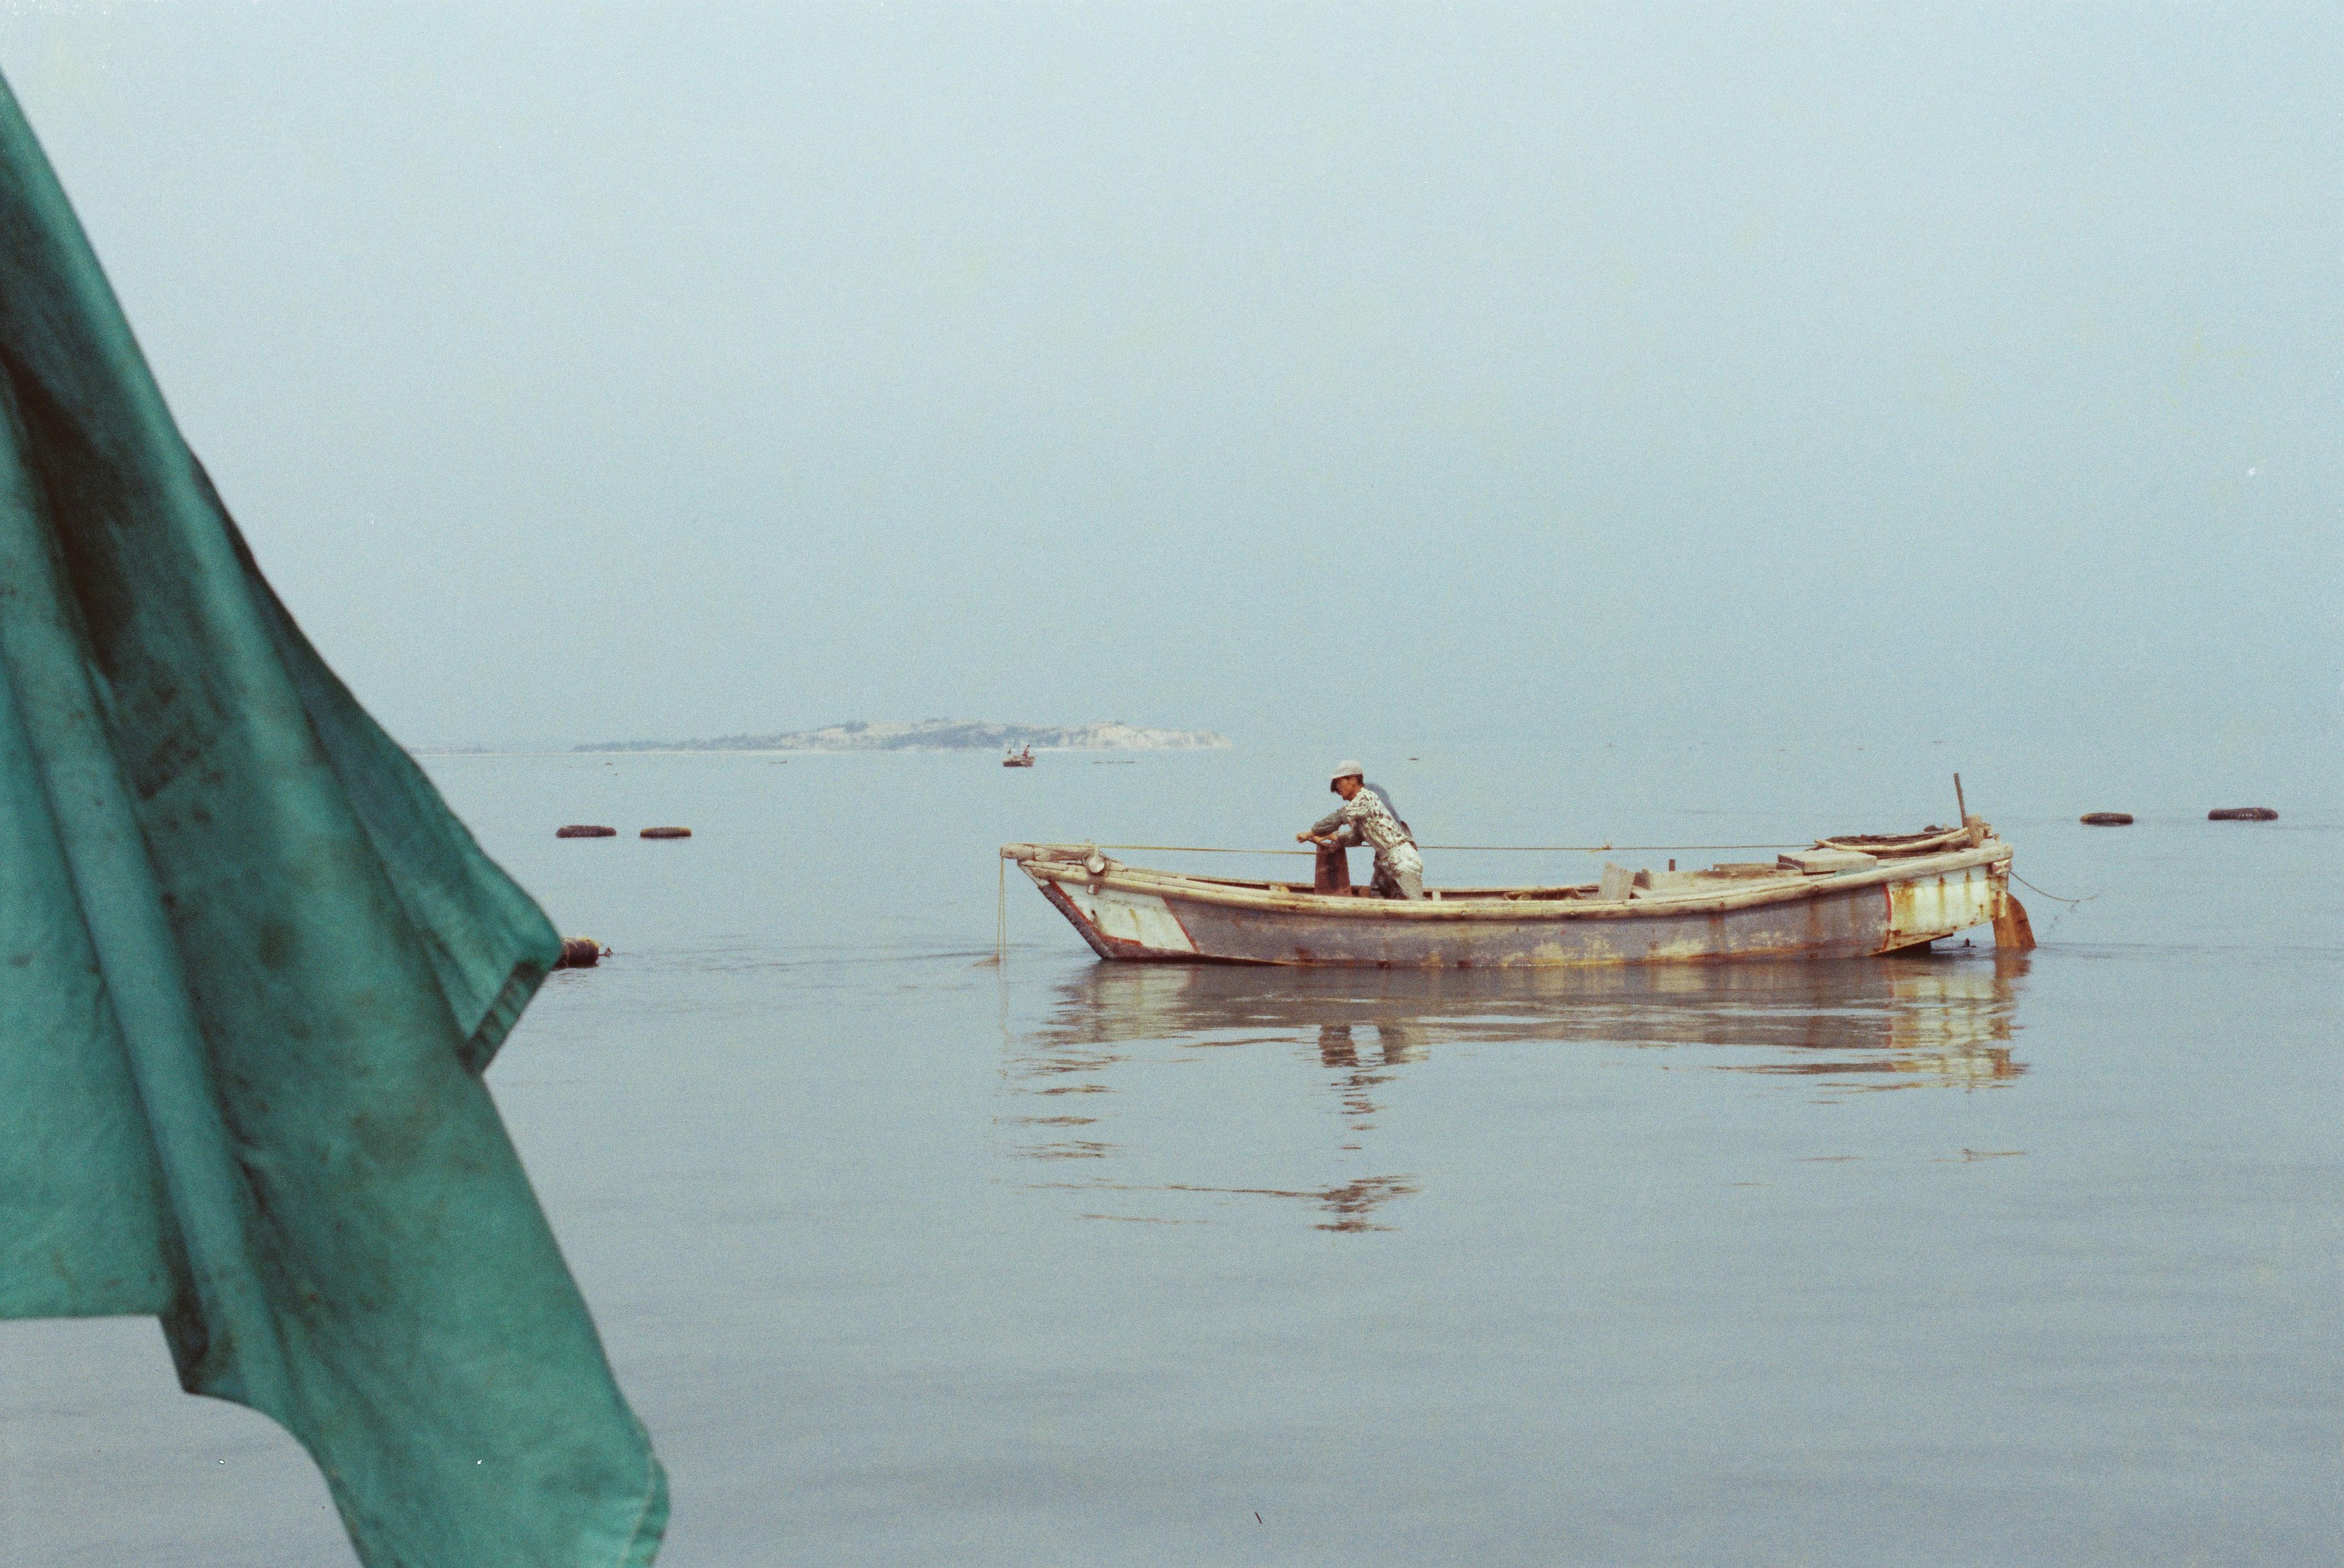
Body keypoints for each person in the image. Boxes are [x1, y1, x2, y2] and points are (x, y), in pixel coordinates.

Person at [1297, 760, 1424, 899]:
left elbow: (1338, 817)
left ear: (1352, 780)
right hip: (1386, 862)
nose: (1337, 788)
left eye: (1339, 782)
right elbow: (1356, 838)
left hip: (1402, 861)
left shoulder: (1365, 799)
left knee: (1415, 906)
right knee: (1376, 898)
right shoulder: (1360, 810)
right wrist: (1332, 837)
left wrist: (1310, 833)